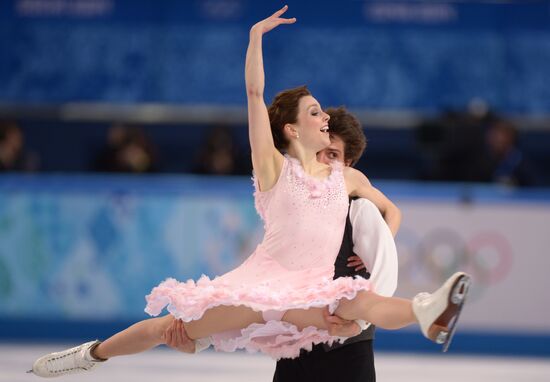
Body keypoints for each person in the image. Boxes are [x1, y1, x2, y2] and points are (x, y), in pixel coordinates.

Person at [30, 6, 470, 378]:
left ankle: (430, 311)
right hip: (259, 290)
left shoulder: (347, 179)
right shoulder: (274, 168)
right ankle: (88, 355)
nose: (325, 120)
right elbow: (255, 92)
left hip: (313, 292)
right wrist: (256, 35)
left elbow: (385, 213)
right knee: (166, 329)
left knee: (361, 305)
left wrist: (377, 252)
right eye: (315, 112)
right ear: (291, 128)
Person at [161, 106, 399, 382]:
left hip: (346, 350)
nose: (322, 160)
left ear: (347, 166)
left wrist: (383, 240)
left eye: (333, 156)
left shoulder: (358, 206)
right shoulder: (294, 202)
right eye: (320, 150)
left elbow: (392, 215)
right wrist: (200, 338)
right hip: (295, 349)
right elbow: (260, 283)